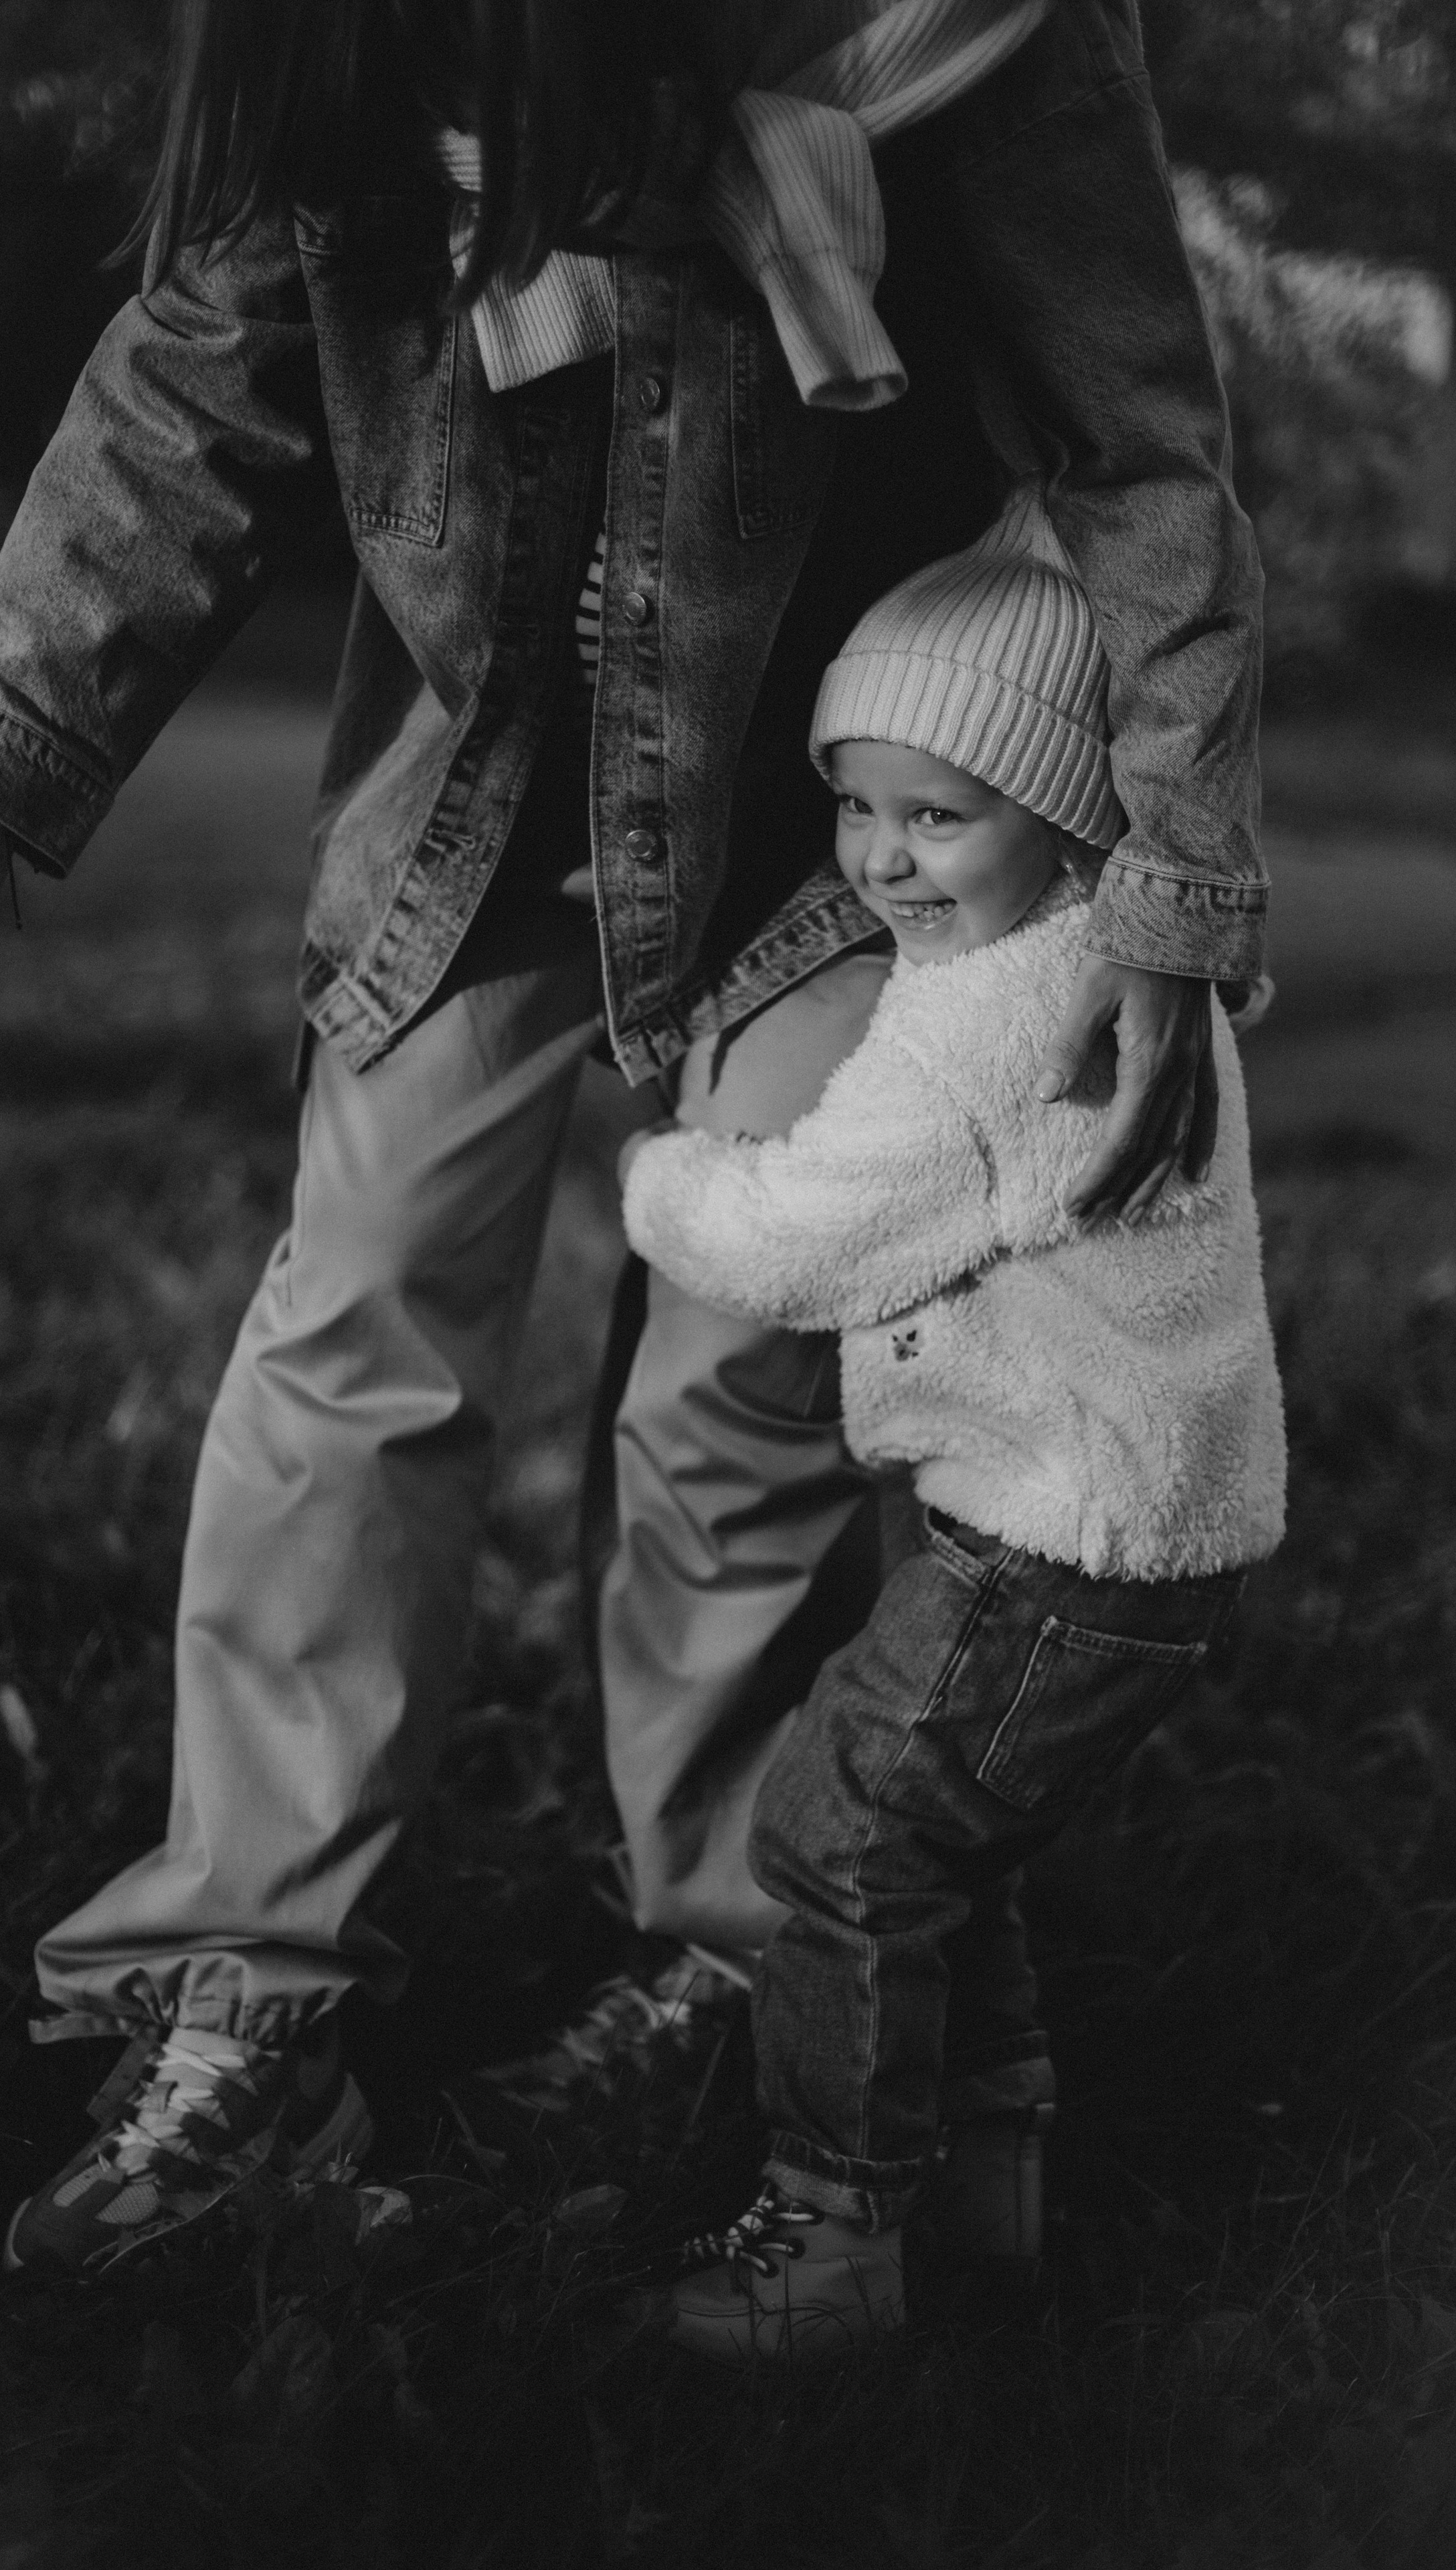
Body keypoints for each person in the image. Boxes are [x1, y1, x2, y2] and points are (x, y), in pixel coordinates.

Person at [0, 0, 1269, 2278]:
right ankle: (247, 2002)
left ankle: (741, 1950)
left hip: (849, 825)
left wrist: (1174, 882)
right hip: (475, 806)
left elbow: (1138, 436)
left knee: (743, 1394)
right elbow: (181, 408)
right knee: (356, 1333)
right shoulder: (333, 61)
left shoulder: (955, 36)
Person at [618, 487, 1285, 2363]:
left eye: (938, 816)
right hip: (1116, 1529)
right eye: (858, 806)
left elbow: (805, 1242)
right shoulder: (1104, 964)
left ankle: (832, 2236)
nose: (883, 860)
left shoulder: (996, 1023)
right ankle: (987, 2194)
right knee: (936, 1845)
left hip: (1066, 1544)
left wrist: (664, 1176)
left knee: (837, 1838)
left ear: (1064, 811)